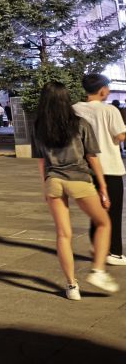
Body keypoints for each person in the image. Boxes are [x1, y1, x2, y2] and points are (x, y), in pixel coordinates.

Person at [32, 81, 119, 299]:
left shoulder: (39, 127)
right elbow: (92, 158)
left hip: (53, 180)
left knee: (63, 234)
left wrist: (45, 186)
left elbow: (41, 161)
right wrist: (103, 187)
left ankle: (72, 286)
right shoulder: (80, 123)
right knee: (104, 223)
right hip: (79, 179)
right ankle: (98, 271)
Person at [73, 73, 126, 266]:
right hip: (109, 167)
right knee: (113, 212)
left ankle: (97, 248)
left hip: (85, 168)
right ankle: (114, 252)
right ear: (103, 90)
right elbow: (120, 135)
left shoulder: (74, 109)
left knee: (94, 211)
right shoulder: (109, 110)